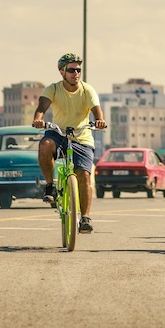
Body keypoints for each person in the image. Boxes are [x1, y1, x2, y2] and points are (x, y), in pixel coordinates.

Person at [32, 53, 107, 235]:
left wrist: (100, 121)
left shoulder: (87, 90)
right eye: (72, 70)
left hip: (82, 136)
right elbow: (41, 108)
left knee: (84, 177)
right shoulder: (54, 89)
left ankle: (86, 218)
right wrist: (38, 120)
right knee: (44, 145)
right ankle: (50, 186)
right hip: (59, 133)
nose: (76, 73)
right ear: (62, 72)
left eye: (78, 70)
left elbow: (97, 112)